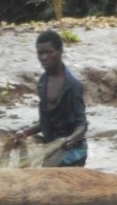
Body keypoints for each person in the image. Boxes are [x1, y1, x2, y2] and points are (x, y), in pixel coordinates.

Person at [16, 29, 89, 167]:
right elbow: (47, 121)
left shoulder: (72, 85)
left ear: (60, 51)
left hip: (72, 153)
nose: (44, 57)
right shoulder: (43, 81)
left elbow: (82, 124)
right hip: (51, 148)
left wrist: (71, 139)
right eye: (40, 53)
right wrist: (26, 132)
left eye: (49, 52)